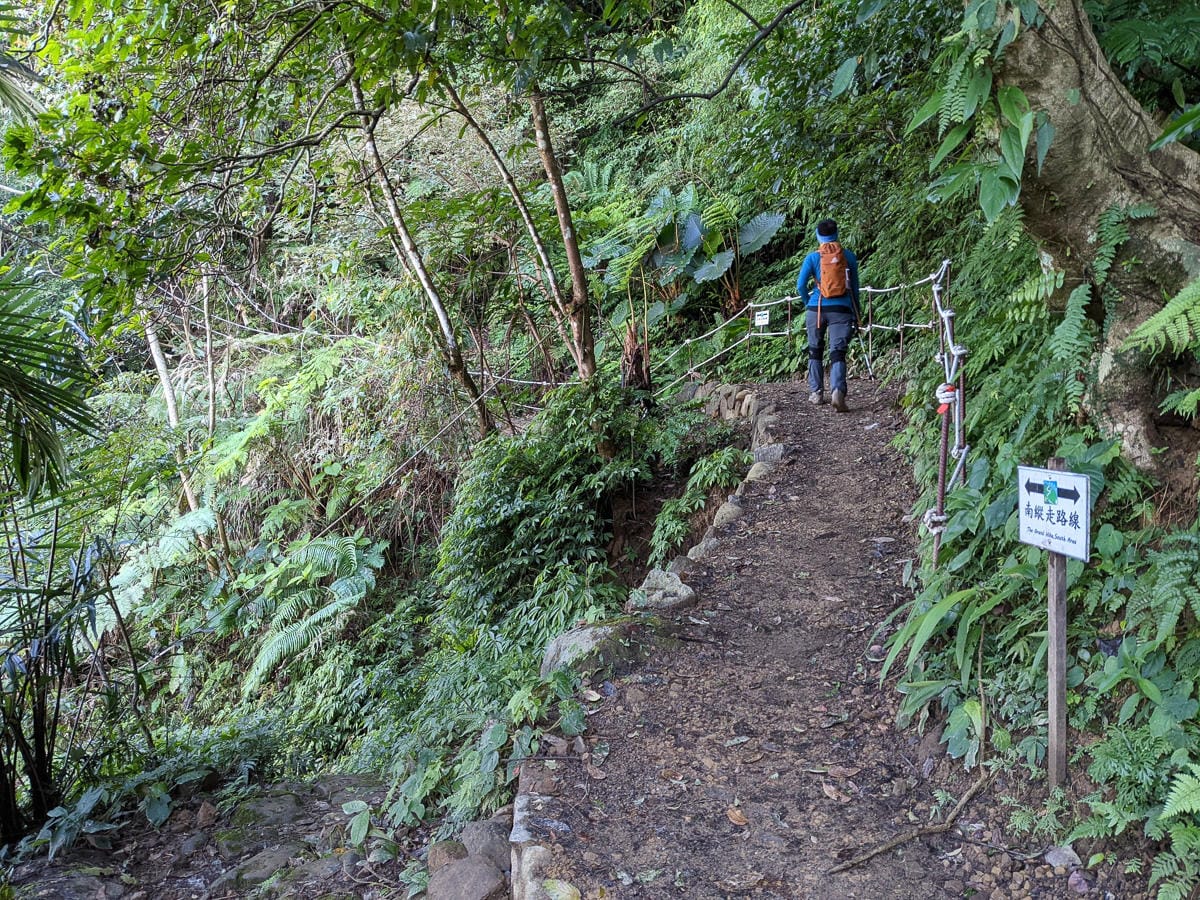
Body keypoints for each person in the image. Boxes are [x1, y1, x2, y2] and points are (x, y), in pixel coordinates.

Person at [796, 218, 861, 412]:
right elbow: (854, 289)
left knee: (815, 350)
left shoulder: (812, 258)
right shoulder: (848, 257)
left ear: (818, 235)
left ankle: (816, 393)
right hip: (841, 309)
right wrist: (856, 310)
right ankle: (837, 391)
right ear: (837, 234)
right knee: (837, 352)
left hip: (816, 309)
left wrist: (809, 303)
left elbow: (800, 285)